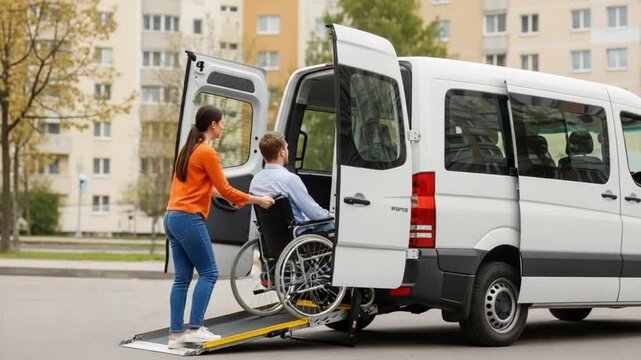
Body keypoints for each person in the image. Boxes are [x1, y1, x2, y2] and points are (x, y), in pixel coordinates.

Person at [164, 105, 274, 349]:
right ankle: (194, 328)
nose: (223, 126)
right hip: (188, 218)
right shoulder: (207, 153)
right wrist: (256, 199)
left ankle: (175, 336)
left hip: (172, 217)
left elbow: (209, 189)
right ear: (213, 124)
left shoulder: (188, 150)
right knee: (210, 273)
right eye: (222, 122)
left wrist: (231, 200)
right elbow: (224, 188)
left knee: (182, 279)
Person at [249, 131, 334, 235]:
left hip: (271, 238)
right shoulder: (290, 179)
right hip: (296, 235)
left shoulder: (255, 181)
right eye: (287, 148)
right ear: (282, 152)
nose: (287, 151)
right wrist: (330, 215)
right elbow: (314, 214)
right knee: (331, 225)